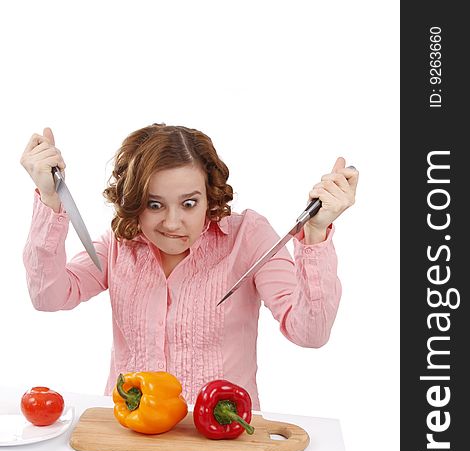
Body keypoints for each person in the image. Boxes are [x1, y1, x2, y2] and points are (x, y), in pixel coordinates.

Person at [20, 123, 358, 410]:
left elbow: (310, 333)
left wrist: (314, 234)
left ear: (210, 196)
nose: (172, 222)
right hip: (130, 431)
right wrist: (51, 198)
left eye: (189, 203)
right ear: (135, 201)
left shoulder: (248, 238)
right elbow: (49, 296)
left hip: (221, 435)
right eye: (154, 204)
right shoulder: (121, 242)